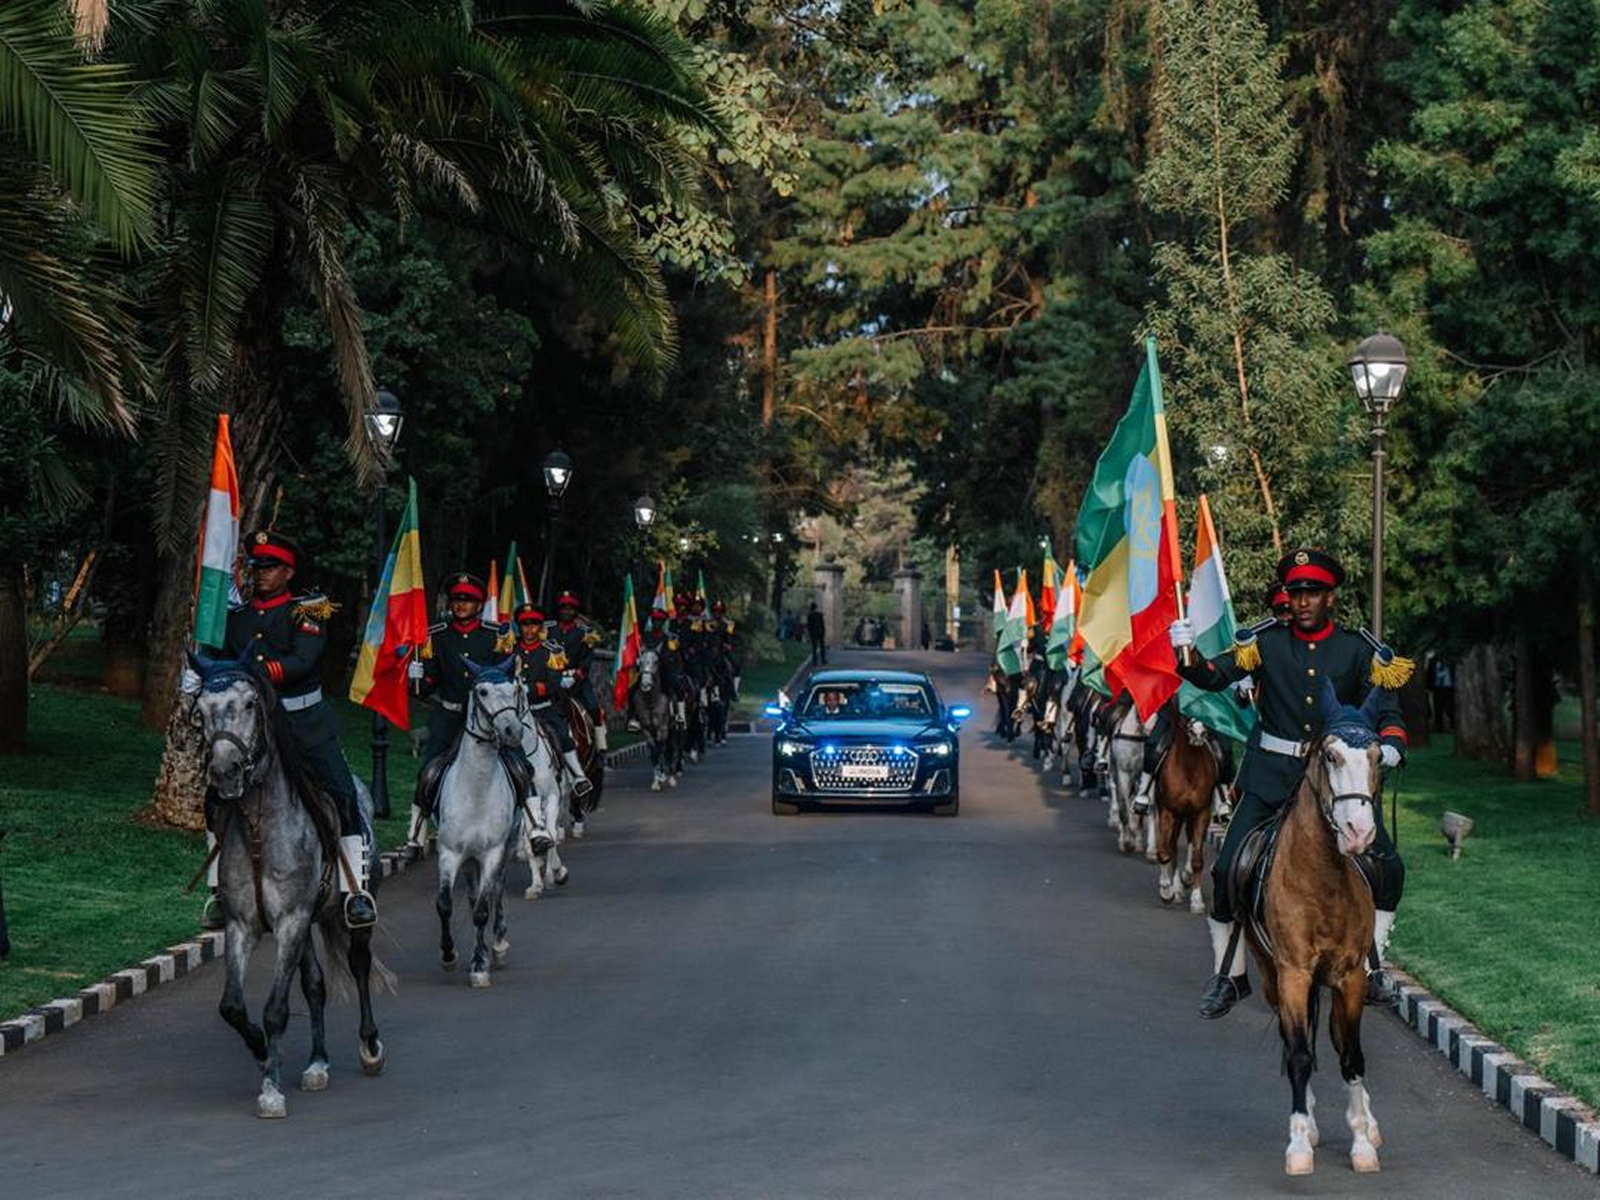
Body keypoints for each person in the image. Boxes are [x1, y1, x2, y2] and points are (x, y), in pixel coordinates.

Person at [1170, 547, 1411, 1019]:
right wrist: (1187, 652)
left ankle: (1373, 967)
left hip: (1336, 782)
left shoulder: (1358, 650)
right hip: (1271, 776)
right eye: (1296, 593)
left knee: (1389, 866)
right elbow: (1213, 676)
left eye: (1313, 593)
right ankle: (1230, 975)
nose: (1302, 602)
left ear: (1330, 597)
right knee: (1225, 872)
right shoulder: (1264, 643)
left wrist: (1393, 742)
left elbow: (1388, 713)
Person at [203, 531, 376, 930]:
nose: (261, 575)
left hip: (304, 723)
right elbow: (222, 663)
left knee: (342, 792)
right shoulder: (238, 618)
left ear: (288, 572)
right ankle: (217, 893)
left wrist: (251, 672)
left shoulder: (307, 613)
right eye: (257, 567)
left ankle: (355, 891)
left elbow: (301, 661)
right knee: (215, 798)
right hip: (254, 727)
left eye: (270, 568)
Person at [401, 572, 512, 860]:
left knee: (516, 764)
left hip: (486, 722)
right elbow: (428, 687)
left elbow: (504, 677)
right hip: (449, 716)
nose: (461, 605)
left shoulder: (494, 635)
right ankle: (416, 833)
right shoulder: (437, 635)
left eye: (468, 600)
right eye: (457, 600)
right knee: (428, 771)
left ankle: (533, 822)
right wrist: (418, 679)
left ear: (479, 604)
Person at [510, 604, 593, 796]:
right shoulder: (510, 650)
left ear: (540, 626)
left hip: (543, 708)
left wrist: (531, 688)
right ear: (519, 626)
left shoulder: (551, 651)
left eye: (534, 624)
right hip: (516, 711)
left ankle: (577, 775)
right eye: (524, 624)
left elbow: (554, 683)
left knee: (562, 735)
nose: (529, 629)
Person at [549, 590, 607, 751]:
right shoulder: (547, 631)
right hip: (552, 680)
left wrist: (576, 676)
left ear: (576, 611)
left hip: (577, 682)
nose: (567, 611)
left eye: (571, 608)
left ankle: (600, 747)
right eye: (563, 608)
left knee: (594, 709)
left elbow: (587, 659)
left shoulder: (585, 633)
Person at [807, 601, 827, 665]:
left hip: (813, 633)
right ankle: (823, 660)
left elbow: (809, 625)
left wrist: (809, 633)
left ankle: (815, 661)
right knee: (822, 647)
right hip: (820, 632)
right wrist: (823, 631)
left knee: (814, 648)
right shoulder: (820, 615)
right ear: (816, 607)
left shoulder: (810, 616)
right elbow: (822, 624)